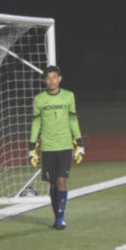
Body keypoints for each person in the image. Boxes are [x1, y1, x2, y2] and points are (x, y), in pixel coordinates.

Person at [28, 64, 84, 230]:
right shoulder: (39, 99)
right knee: (52, 183)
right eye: (48, 78)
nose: (52, 81)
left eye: (54, 77)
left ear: (59, 79)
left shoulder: (68, 96)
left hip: (65, 145)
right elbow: (36, 123)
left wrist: (79, 143)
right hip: (47, 147)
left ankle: (60, 218)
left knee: (61, 180)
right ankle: (57, 216)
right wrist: (32, 147)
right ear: (44, 80)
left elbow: (73, 119)